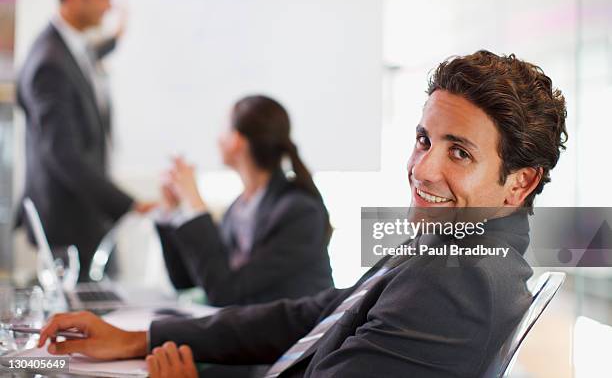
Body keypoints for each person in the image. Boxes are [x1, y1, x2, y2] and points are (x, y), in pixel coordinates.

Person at [38, 50, 568, 378]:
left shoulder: (462, 286)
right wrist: (140, 338)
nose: (421, 170)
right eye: (424, 140)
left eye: (459, 152)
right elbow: (312, 315)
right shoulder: (453, 246)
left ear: (519, 183)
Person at [16, 0, 152, 281]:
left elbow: (84, 64)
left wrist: (116, 39)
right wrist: (129, 204)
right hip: (71, 222)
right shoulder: (50, 64)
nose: (109, 7)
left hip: (84, 213)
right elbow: (64, 155)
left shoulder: (70, 47)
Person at [154, 95, 334, 306]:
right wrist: (171, 211)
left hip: (299, 335)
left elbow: (225, 292)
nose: (217, 139)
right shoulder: (239, 209)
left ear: (236, 140)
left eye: (222, 130)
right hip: (254, 331)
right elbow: (187, 281)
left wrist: (195, 204)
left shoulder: (300, 212)